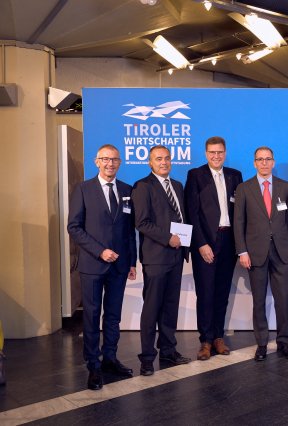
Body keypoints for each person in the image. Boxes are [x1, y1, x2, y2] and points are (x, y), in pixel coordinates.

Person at [67, 144, 137, 390]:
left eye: (114, 159)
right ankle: (93, 365)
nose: (110, 163)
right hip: (93, 264)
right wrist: (100, 251)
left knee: (113, 316)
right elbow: (74, 227)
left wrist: (131, 261)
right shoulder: (83, 189)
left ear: (120, 163)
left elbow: (129, 231)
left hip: (119, 266)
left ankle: (110, 359)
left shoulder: (127, 190)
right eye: (105, 159)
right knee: (92, 315)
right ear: (97, 162)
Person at [132, 145, 191, 376]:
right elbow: (142, 222)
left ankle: (168, 350)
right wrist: (168, 238)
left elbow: (181, 217)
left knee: (170, 307)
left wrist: (182, 243)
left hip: (176, 256)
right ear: (150, 163)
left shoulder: (177, 185)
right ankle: (147, 358)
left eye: (167, 158)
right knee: (152, 309)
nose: (164, 162)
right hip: (156, 257)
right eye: (158, 159)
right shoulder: (142, 186)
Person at [234, 147, 288, 362]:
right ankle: (261, 344)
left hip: (282, 252)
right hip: (255, 253)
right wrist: (242, 251)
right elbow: (238, 222)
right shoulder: (244, 188)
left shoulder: (284, 187)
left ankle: (283, 342)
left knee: (282, 300)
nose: (264, 163)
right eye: (260, 159)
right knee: (258, 301)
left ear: (273, 162)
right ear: (254, 163)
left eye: (268, 159)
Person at [185, 137, 243, 361]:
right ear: (206, 153)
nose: (216, 156)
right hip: (207, 242)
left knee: (222, 293)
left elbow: (241, 211)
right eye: (212, 152)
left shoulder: (235, 175)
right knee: (206, 293)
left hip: (229, 241)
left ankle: (218, 337)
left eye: (219, 152)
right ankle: (206, 340)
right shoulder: (195, 175)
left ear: (225, 153)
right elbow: (192, 213)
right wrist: (201, 243)